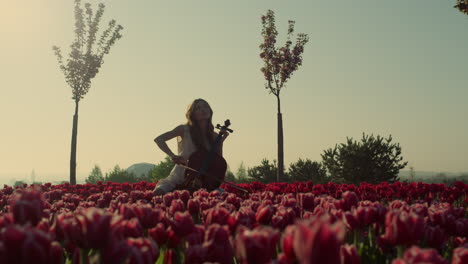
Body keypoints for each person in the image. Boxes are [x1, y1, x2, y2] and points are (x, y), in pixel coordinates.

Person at [152, 99, 229, 196]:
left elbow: (217, 161)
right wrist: (172, 155)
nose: (203, 110)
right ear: (192, 114)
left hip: (203, 179)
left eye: (205, 107)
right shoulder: (184, 129)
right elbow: (159, 139)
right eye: (198, 108)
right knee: (157, 194)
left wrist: (220, 142)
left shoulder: (214, 135)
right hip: (180, 175)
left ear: (210, 111)